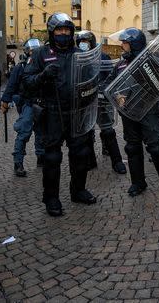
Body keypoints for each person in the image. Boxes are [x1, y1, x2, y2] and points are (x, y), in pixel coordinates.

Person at [22, 13, 97, 216]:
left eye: (67, 30)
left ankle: (78, 190)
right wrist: (43, 76)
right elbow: (27, 83)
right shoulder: (40, 54)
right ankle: (51, 197)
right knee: (52, 158)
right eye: (59, 30)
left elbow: (92, 78)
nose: (63, 34)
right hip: (52, 113)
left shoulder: (80, 53)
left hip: (76, 112)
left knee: (81, 154)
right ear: (52, 32)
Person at [109, 28, 159, 196]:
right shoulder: (120, 64)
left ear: (134, 44)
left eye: (125, 42)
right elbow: (109, 84)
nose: (122, 45)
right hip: (128, 113)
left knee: (154, 147)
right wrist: (116, 95)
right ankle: (138, 183)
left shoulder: (151, 61)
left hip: (148, 111)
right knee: (132, 148)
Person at [76, 30, 127, 174]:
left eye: (85, 42)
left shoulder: (102, 56)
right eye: (80, 42)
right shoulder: (76, 57)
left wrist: (104, 90)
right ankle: (90, 161)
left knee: (108, 131)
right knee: (87, 132)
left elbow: (110, 78)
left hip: (100, 100)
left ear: (91, 42)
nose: (83, 45)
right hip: (84, 101)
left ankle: (116, 161)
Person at [0, 38, 45, 177]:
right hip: (28, 104)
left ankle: (41, 158)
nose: (33, 53)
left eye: (36, 51)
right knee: (24, 133)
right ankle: (18, 162)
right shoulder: (20, 67)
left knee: (42, 133)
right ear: (26, 52)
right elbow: (11, 85)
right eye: (31, 51)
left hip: (42, 104)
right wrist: (5, 101)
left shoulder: (44, 66)